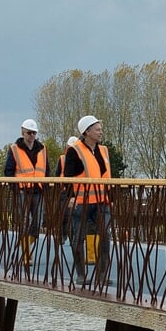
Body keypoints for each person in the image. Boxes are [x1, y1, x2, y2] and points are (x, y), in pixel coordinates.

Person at [62, 115, 113, 285]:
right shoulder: (74, 150)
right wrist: (70, 197)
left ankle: (101, 275)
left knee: (105, 235)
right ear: (87, 132)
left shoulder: (103, 150)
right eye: (97, 129)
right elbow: (67, 176)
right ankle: (81, 274)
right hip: (81, 202)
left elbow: (107, 176)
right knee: (78, 238)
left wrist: (109, 197)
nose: (101, 132)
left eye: (100, 129)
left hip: (100, 201)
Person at [4, 119, 48, 266]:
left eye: (34, 133)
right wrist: (15, 188)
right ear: (23, 132)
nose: (32, 135)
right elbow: (9, 171)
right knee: (24, 222)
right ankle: (25, 255)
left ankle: (26, 246)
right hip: (22, 191)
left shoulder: (42, 149)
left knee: (37, 223)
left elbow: (46, 170)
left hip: (38, 191)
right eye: (29, 133)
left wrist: (45, 188)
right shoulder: (15, 149)